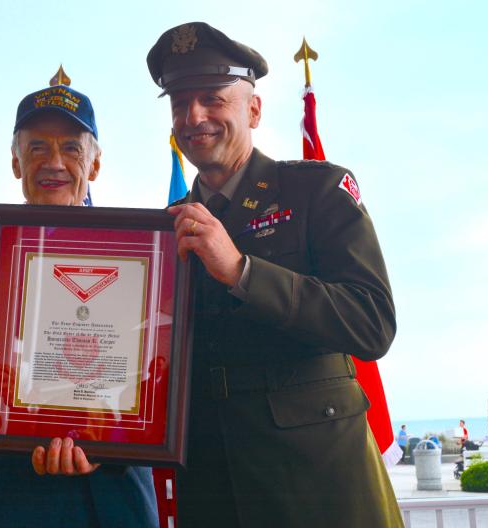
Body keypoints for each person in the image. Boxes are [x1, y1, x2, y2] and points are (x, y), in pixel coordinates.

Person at [146, 22, 402, 527]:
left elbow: (372, 324)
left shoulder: (318, 191)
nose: (193, 116)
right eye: (180, 102)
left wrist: (242, 271)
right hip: (212, 488)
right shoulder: (162, 231)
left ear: (254, 110)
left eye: (212, 98)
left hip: (318, 486)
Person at [0, 77, 157, 526]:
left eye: (71, 148)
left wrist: (105, 446)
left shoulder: (143, 261)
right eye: (37, 148)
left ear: (95, 164)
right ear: (16, 161)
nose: (54, 162)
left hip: (109, 504)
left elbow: (159, 395)